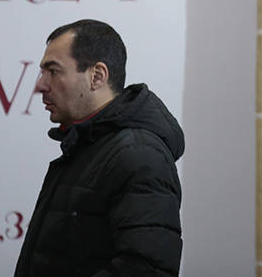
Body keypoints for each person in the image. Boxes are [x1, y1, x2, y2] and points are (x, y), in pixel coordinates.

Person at [13, 19, 184, 277]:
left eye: (53, 71)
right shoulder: (87, 146)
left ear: (97, 76)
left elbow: (146, 269)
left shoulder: (139, 155)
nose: (40, 85)